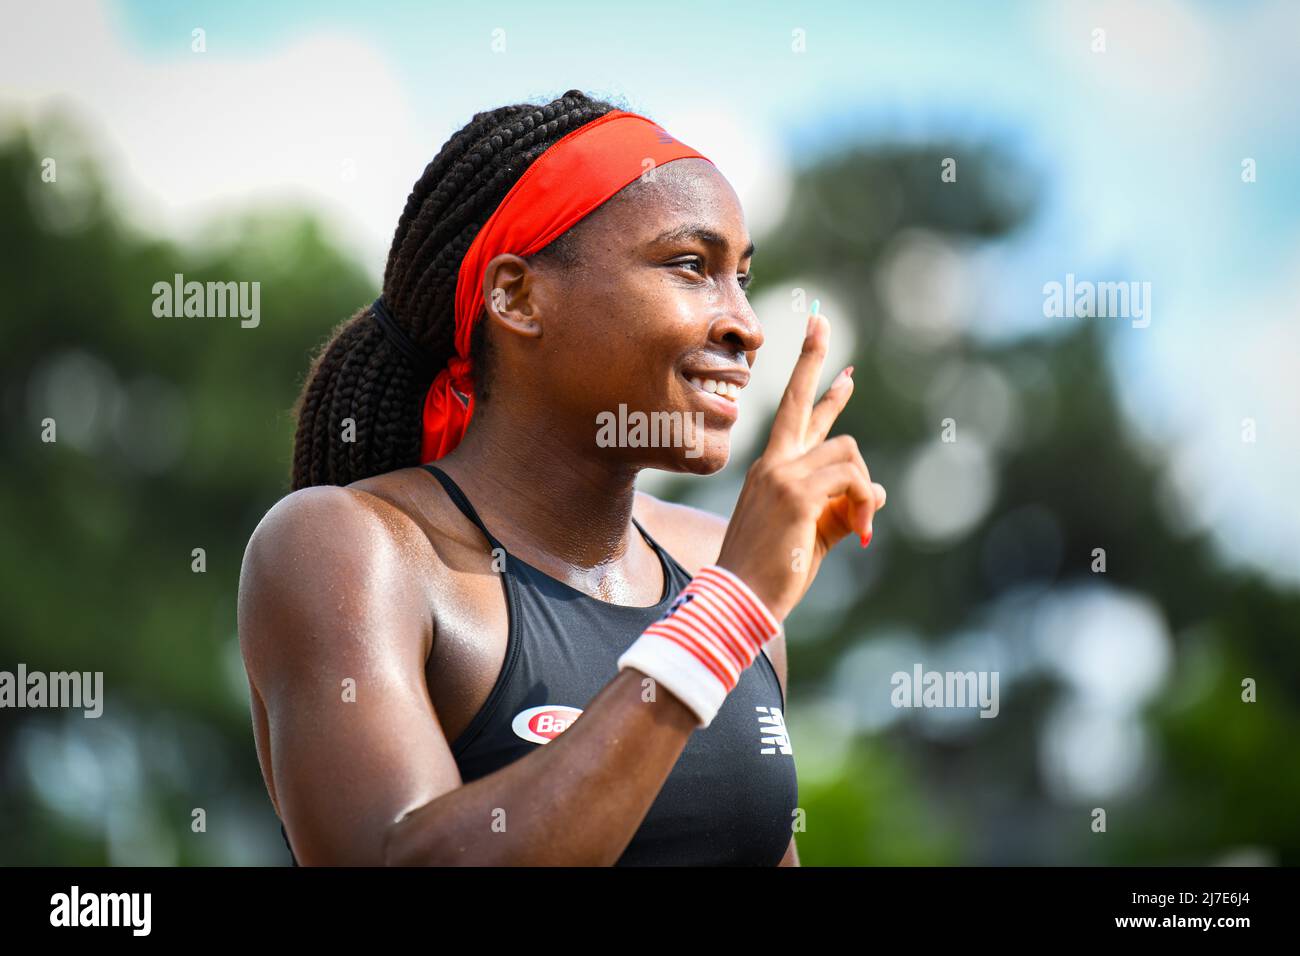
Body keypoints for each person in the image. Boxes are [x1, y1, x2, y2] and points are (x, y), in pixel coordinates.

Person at [237, 89, 885, 866]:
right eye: (691, 266)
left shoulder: (719, 568)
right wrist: (724, 614)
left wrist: (737, 602)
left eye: (742, 277)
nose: (744, 323)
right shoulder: (351, 547)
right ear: (517, 296)